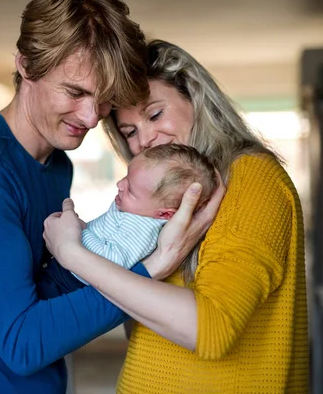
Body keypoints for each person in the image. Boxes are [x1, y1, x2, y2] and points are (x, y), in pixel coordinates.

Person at [0, 0, 222, 392]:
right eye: (74, 92)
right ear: (25, 65)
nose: (91, 117)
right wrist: (150, 268)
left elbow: (51, 289)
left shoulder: (56, 165)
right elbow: (23, 344)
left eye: (104, 98)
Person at [43, 39, 308, 393]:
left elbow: (211, 329)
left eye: (155, 114)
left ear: (195, 98)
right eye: (130, 132)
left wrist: (71, 253)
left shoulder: (249, 177)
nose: (147, 139)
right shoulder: (162, 205)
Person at [51, 143, 218, 291]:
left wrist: (79, 231)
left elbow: (111, 262)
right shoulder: (134, 209)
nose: (120, 185)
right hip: (68, 268)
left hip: (72, 284)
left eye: (131, 190)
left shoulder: (142, 229)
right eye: (126, 176)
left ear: (165, 214)